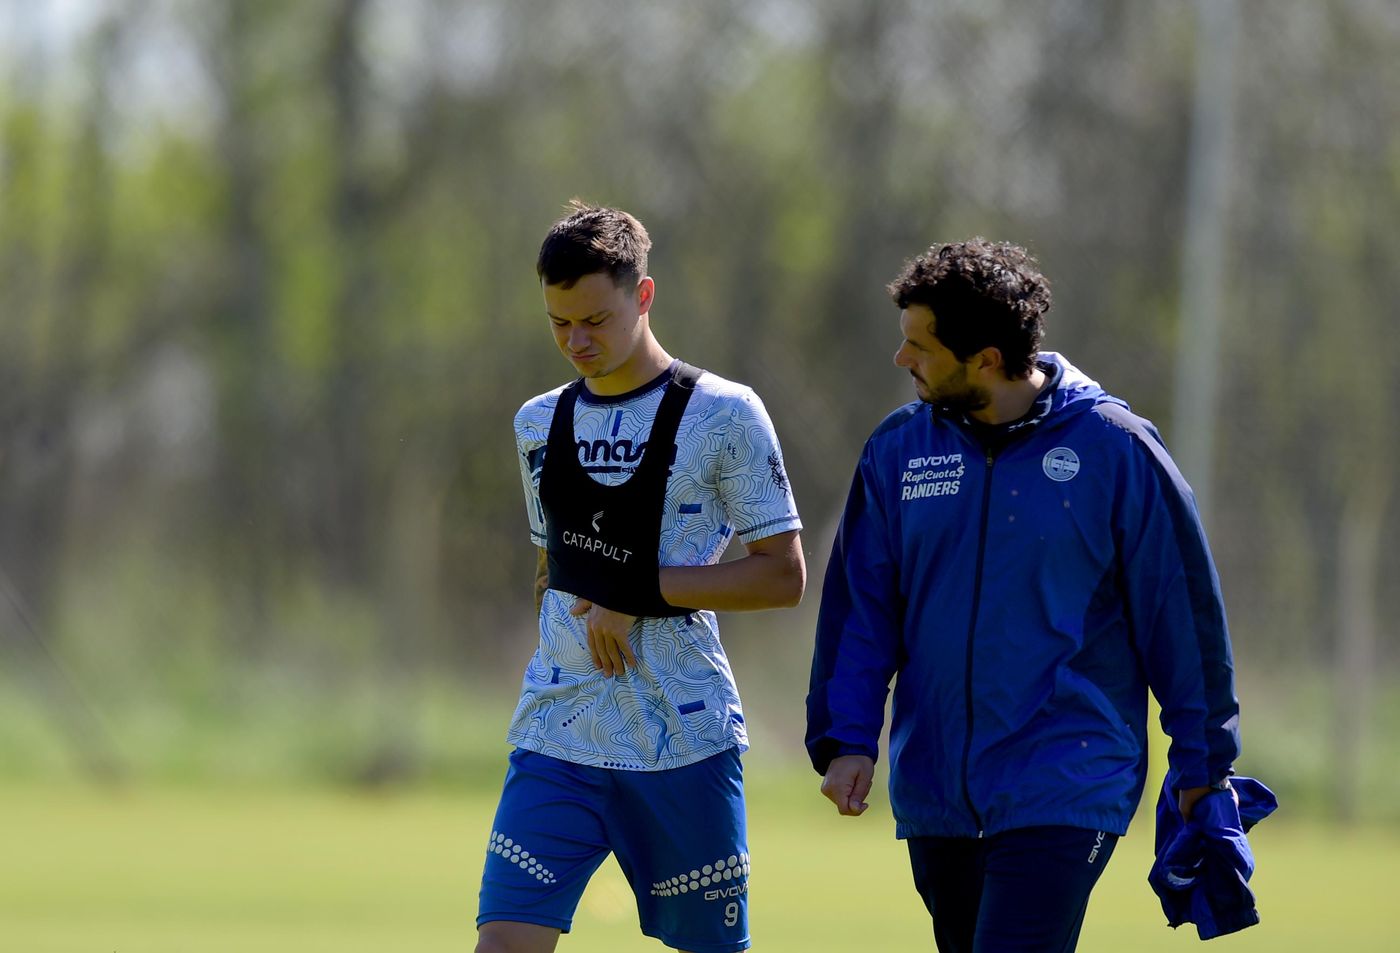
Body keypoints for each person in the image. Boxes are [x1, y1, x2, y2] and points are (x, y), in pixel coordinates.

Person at [805, 238, 1242, 952]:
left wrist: (1203, 766)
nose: (902, 358)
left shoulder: (1116, 450)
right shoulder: (897, 452)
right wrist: (846, 736)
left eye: (920, 345)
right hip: (939, 794)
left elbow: (1182, 619)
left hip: (1067, 780)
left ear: (984, 359)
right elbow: (862, 606)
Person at [477, 201, 806, 953]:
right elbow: (549, 569)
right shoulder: (537, 422)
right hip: (557, 733)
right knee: (502, 944)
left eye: (594, 318)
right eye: (559, 323)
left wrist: (637, 594)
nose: (576, 341)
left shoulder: (725, 413)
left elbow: (783, 577)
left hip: (683, 738)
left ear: (644, 295)